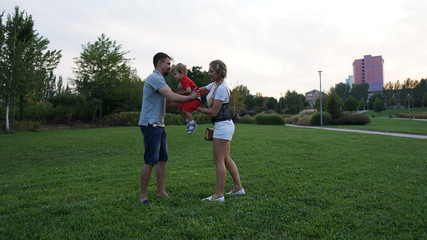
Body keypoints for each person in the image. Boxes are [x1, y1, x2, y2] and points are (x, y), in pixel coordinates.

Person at [138, 52, 199, 205]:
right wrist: (190, 97)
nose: (169, 67)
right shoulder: (155, 78)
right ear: (159, 63)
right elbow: (171, 96)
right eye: (168, 64)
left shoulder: (160, 80)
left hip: (159, 124)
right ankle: (143, 197)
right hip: (151, 124)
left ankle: (161, 192)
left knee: (162, 159)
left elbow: (168, 103)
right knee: (150, 161)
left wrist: (185, 102)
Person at [196, 60, 245, 202]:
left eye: (211, 71)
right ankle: (238, 188)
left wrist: (196, 108)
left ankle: (219, 195)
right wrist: (190, 92)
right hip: (223, 125)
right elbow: (201, 90)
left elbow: (213, 112)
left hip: (223, 126)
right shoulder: (215, 85)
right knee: (225, 158)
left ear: (219, 73)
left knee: (218, 160)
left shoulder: (222, 88)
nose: (209, 73)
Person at [171, 63, 202, 134]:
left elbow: (188, 91)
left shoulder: (184, 79)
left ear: (182, 73)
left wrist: (181, 93)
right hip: (191, 98)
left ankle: (192, 123)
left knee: (186, 109)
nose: (174, 76)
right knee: (179, 108)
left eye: (175, 74)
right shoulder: (183, 80)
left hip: (196, 98)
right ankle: (188, 120)